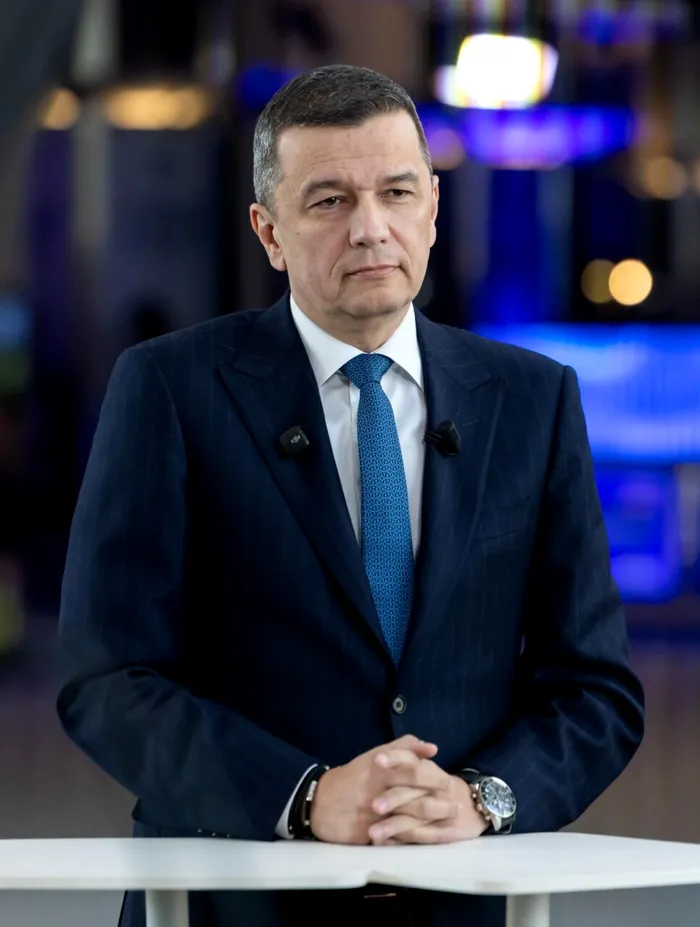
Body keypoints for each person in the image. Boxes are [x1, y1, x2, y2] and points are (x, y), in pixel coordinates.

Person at [56, 65, 645, 927]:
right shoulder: (171, 389)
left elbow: (596, 689)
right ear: (269, 231)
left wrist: (483, 796)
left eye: (396, 193)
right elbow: (106, 677)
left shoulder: (533, 401)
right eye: (329, 201)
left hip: (459, 904)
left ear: (433, 208)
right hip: (231, 903)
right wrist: (302, 796)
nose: (371, 228)